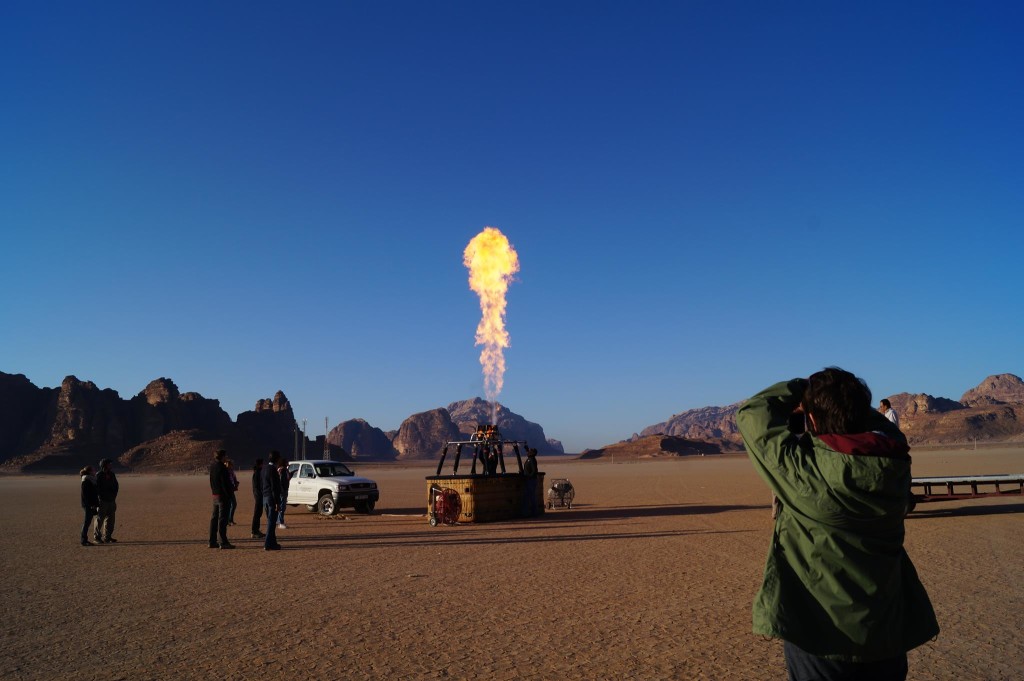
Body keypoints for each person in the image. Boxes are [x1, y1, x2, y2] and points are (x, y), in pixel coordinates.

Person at [737, 367, 938, 680]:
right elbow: (886, 434)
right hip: (886, 630)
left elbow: (752, 413)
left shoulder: (804, 472)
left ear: (812, 420)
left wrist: (804, 389)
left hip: (820, 635)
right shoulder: (895, 464)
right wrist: (843, 403)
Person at [208, 449, 234, 549]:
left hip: (215, 495)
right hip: (223, 496)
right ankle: (223, 542)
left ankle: (212, 541)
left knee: (214, 518)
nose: (226, 458)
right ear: (222, 457)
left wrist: (214, 491)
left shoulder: (213, 466)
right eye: (225, 456)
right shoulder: (222, 467)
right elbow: (225, 483)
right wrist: (229, 494)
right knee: (222, 519)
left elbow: (211, 481)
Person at [261, 451, 283, 551]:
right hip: (271, 498)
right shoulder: (273, 470)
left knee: (271, 522)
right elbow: (275, 488)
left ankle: (273, 543)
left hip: (265, 497)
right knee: (271, 522)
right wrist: (277, 503)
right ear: (276, 459)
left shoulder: (264, 468)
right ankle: (267, 544)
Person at [95, 458, 119, 543]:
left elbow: (116, 485)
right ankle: (97, 537)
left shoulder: (112, 474)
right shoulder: (99, 475)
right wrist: (101, 496)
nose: (111, 465)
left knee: (111, 519)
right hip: (102, 501)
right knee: (100, 519)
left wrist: (114, 495)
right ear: (104, 465)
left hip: (111, 500)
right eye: (109, 464)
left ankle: (107, 537)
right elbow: (97, 488)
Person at [80, 466, 99, 546]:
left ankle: (84, 539)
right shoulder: (86, 481)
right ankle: (83, 540)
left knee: (88, 522)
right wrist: (91, 505)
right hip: (88, 505)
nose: (95, 471)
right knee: (86, 522)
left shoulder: (91, 480)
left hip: (91, 505)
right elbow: (86, 495)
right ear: (90, 472)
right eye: (93, 470)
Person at [521, 448, 539, 517]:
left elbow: (534, 471)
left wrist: (529, 476)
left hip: (531, 481)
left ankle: (533, 513)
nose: (528, 452)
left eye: (529, 451)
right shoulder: (529, 459)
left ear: (532, 453)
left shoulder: (532, 460)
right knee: (529, 497)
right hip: (529, 480)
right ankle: (528, 512)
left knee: (531, 497)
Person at [250, 458, 266, 539]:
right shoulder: (257, 473)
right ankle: (254, 531)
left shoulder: (258, 472)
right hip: (258, 496)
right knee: (257, 514)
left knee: (258, 514)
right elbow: (257, 486)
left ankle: (256, 530)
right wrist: (260, 495)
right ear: (260, 464)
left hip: (259, 495)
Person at [276, 458, 291, 529]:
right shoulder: (281, 470)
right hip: (282, 491)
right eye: (286, 462)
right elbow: (280, 481)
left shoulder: (285, 470)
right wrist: (282, 491)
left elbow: (287, 479)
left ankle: (279, 521)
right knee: (282, 507)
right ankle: (280, 522)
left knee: (283, 506)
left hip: (285, 490)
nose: (288, 463)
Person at [225, 459, 240, 526]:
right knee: (232, 504)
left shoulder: (231, 471)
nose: (230, 466)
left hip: (231, 489)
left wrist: (236, 483)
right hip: (227, 490)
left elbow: (234, 478)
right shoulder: (225, 472)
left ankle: (229, 520)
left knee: (232, 504)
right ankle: (229, 520)